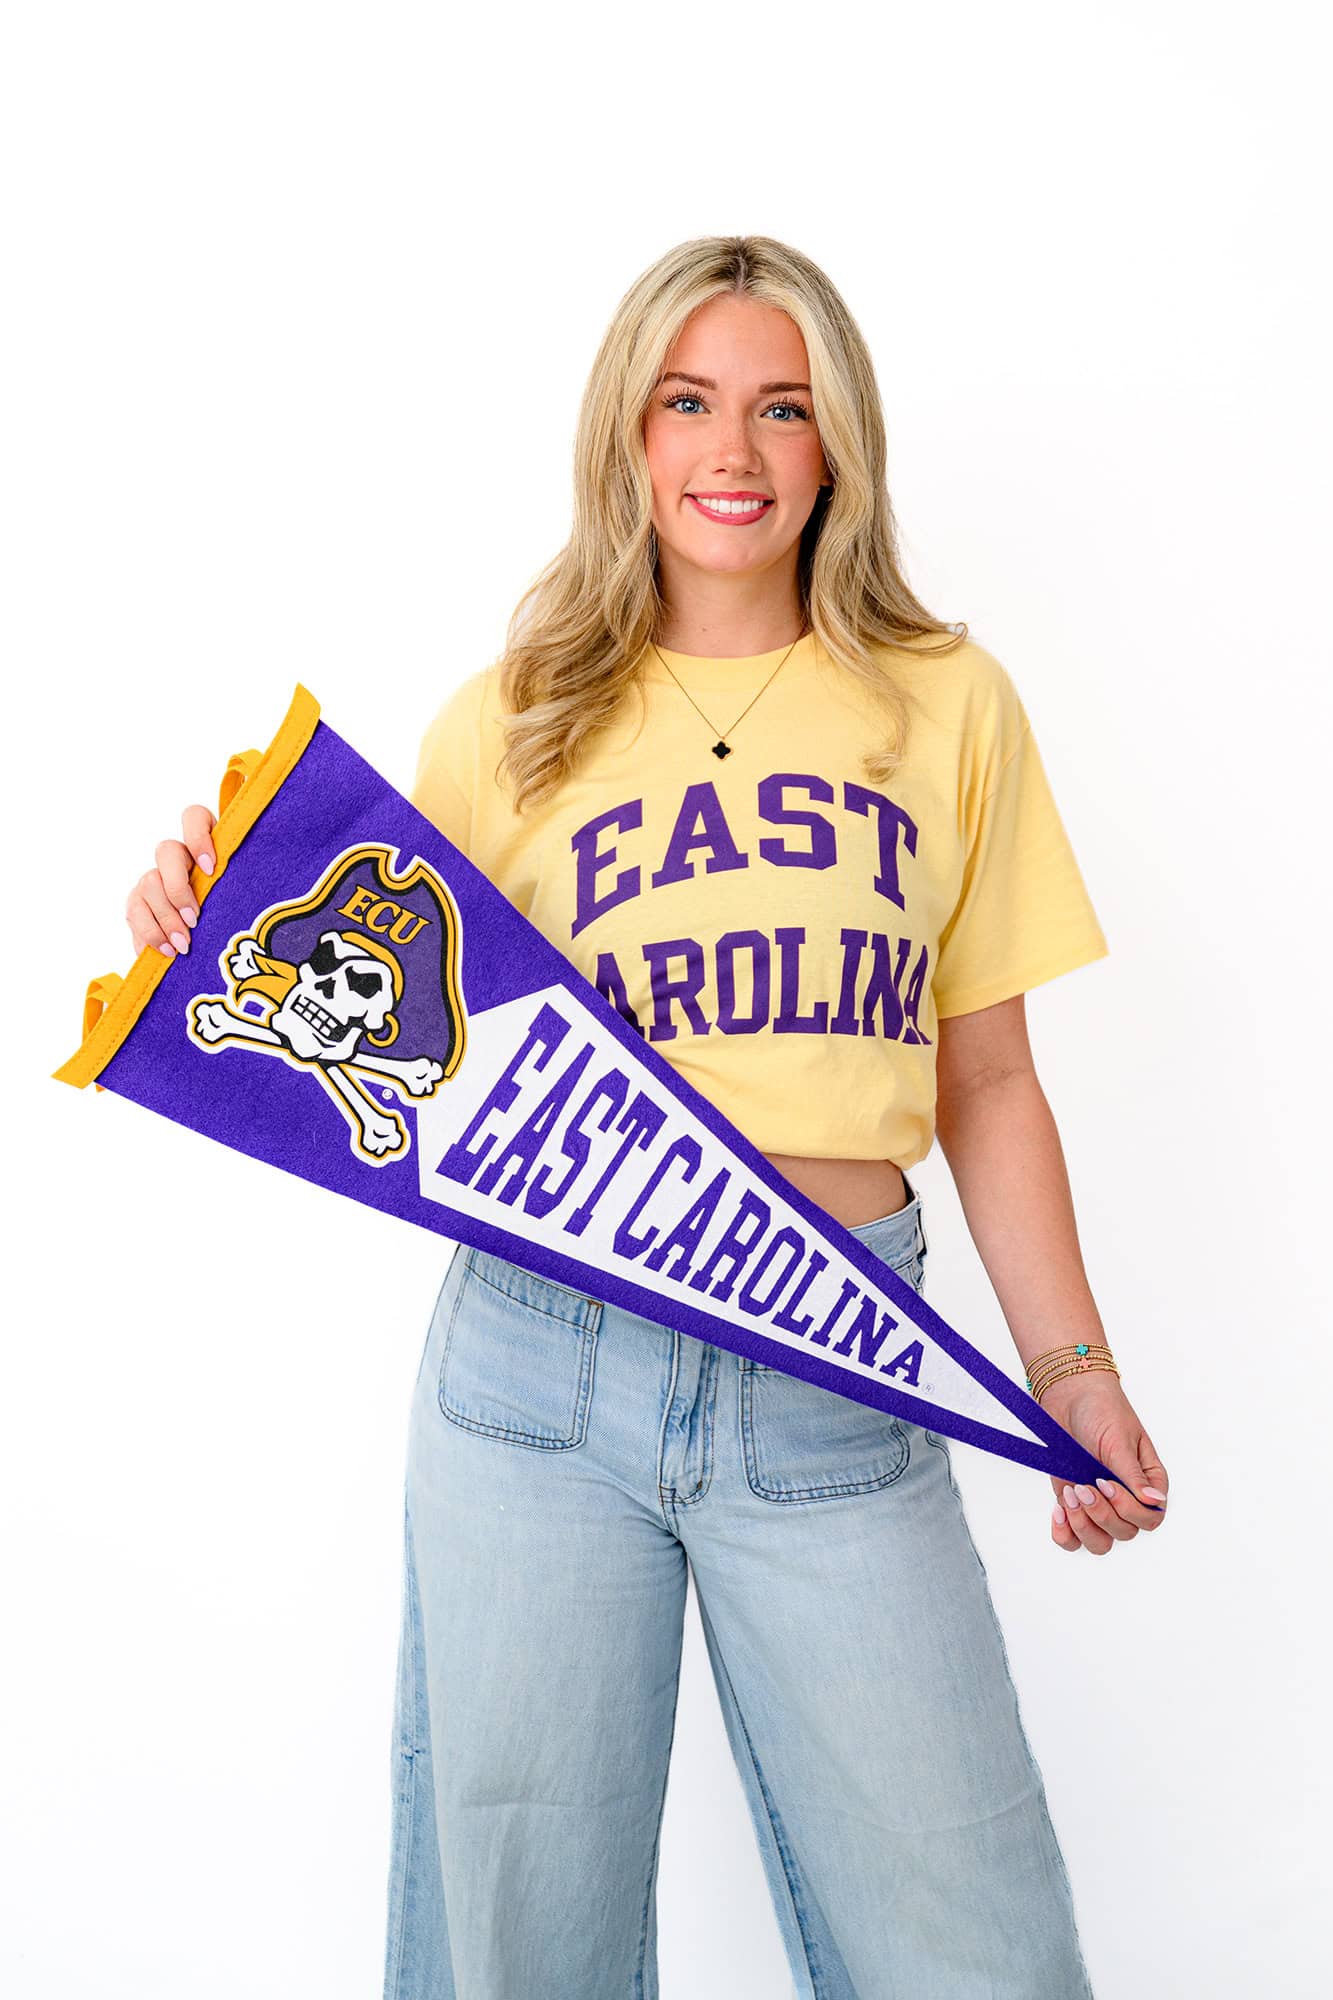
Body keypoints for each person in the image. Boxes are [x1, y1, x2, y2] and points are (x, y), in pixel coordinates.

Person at [125, 235, 1170, 1999]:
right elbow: (380, 1020)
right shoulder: (511, 722)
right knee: (518, 1945)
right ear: (627, 432)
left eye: (783, 407)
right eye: (687, 403)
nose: (732, 451)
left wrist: (1069, 1368)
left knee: (973, 1942)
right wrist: (207, 917)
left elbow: (987, 1078)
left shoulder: (946, 703)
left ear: (840, 443)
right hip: (535, 1373)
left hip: (838, 1366)